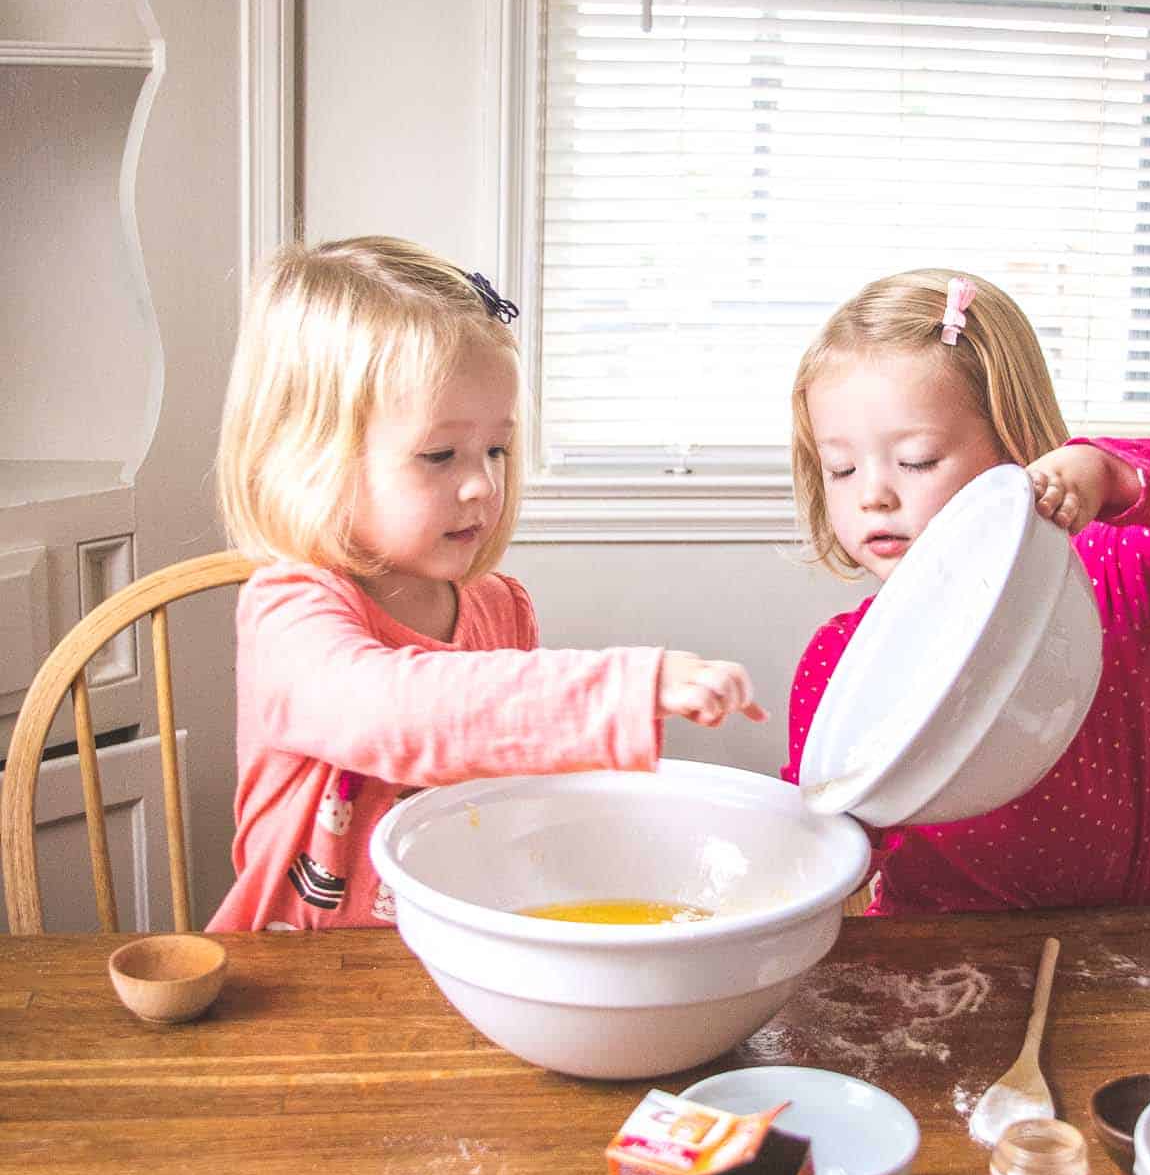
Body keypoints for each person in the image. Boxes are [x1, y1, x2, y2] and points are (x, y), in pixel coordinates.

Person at [209, 235, 765, 931]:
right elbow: (395, 711)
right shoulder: (288, 615)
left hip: (462, 953)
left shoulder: (500, 609)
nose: (482, 483)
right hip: (302, 988)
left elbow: (514, 787)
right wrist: (626, 687)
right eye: (439, 455)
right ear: (310, 460)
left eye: (496, 449)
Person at [782, 267, 1150, 913]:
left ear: (1014, 447)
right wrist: (825, 852)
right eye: (842, 469)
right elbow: (833, 838)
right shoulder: (846, 659)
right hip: (936, 955)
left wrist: (1105, 469)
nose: (873, 494)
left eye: (918, 460)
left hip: (1133, 936)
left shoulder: (1104, 572)